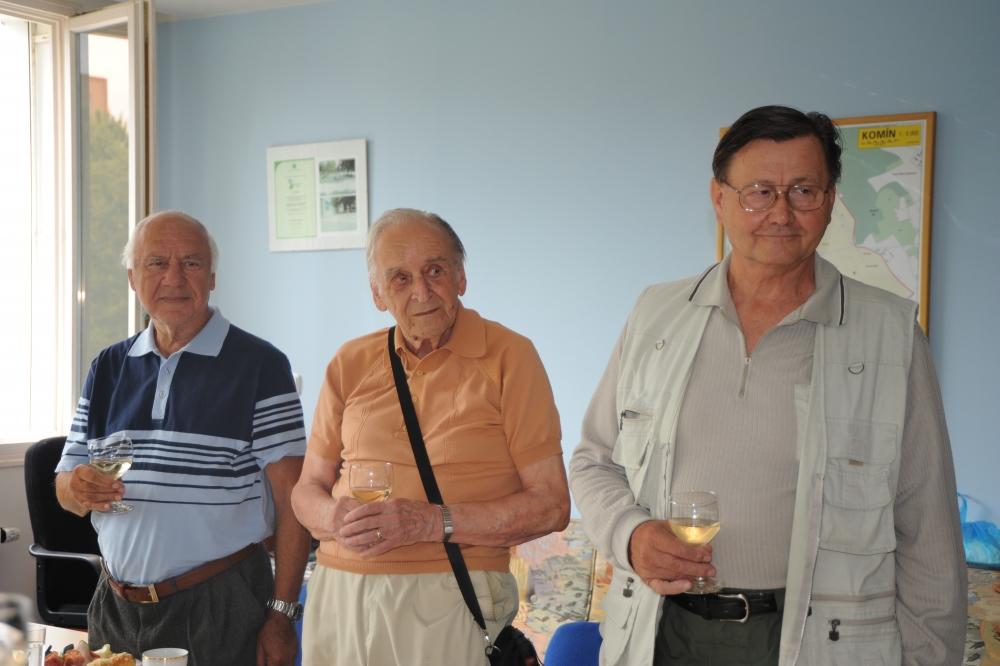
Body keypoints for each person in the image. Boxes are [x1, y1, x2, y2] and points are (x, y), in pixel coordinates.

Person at [569, 105, 966, 665]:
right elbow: (593, 461)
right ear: (719, 198)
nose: (781, 212)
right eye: (759, 192)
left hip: (814, 642)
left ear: (830, 201)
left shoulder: (890, 334)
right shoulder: (657, 314)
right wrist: (630, 534)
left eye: (803, 190)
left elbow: (928, 529)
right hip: (664, 631)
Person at [291, 208, 570, 665]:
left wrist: (431, 522)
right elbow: (306, 490)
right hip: (339, 595)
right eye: (400, 278)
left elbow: (552, 505)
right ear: (378, 293)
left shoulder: (510, 356)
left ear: (461, 277)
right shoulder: (350, 361)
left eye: (435, 271)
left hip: (448, 594)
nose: (421, 292)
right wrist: (333, 517)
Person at [55, 211, 311, 666]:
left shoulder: (261, 366)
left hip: (219, 605)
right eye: (157, 263)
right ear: (132, 278)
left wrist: (282, 614)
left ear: (212, 278)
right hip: (115, 606)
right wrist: (77, 488)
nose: (174, 278)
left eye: (191, 263)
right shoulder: (107, 367)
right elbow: (65, 489)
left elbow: (294, 500)